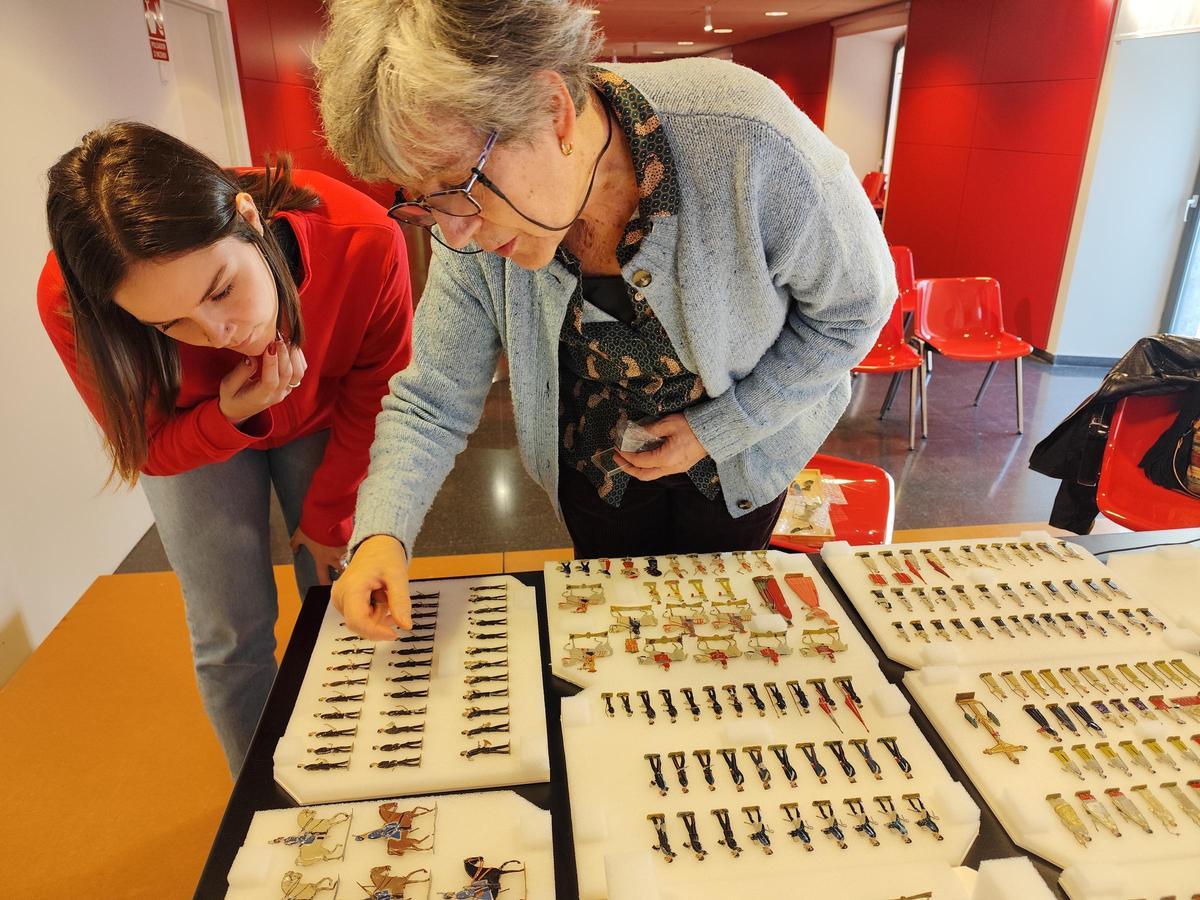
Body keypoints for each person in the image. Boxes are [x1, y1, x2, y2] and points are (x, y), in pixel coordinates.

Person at [316, 0, 894, 640]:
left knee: (724, 634)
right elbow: (432, 397)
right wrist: (382, 534)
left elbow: (853, 313)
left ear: (553, 110)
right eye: (425, 199)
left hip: (742, 455)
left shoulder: (747, 137)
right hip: (593, 467)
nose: (453, 233)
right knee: (618, 638)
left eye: (458, 183)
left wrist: (719, 429)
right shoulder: (469, 226)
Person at [39, 123, 414, 773]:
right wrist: (228, 415)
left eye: (219, 290)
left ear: (248, 218)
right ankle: (258, 801)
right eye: (169, 324)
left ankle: (372, 774)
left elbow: (378, 392)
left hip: (329, 416)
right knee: (229, 636)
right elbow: (150, 450)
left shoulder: (364, 237)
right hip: (193, 434)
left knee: (344, 593)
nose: (218, 334)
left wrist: (330, 516)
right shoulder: (73, 304)